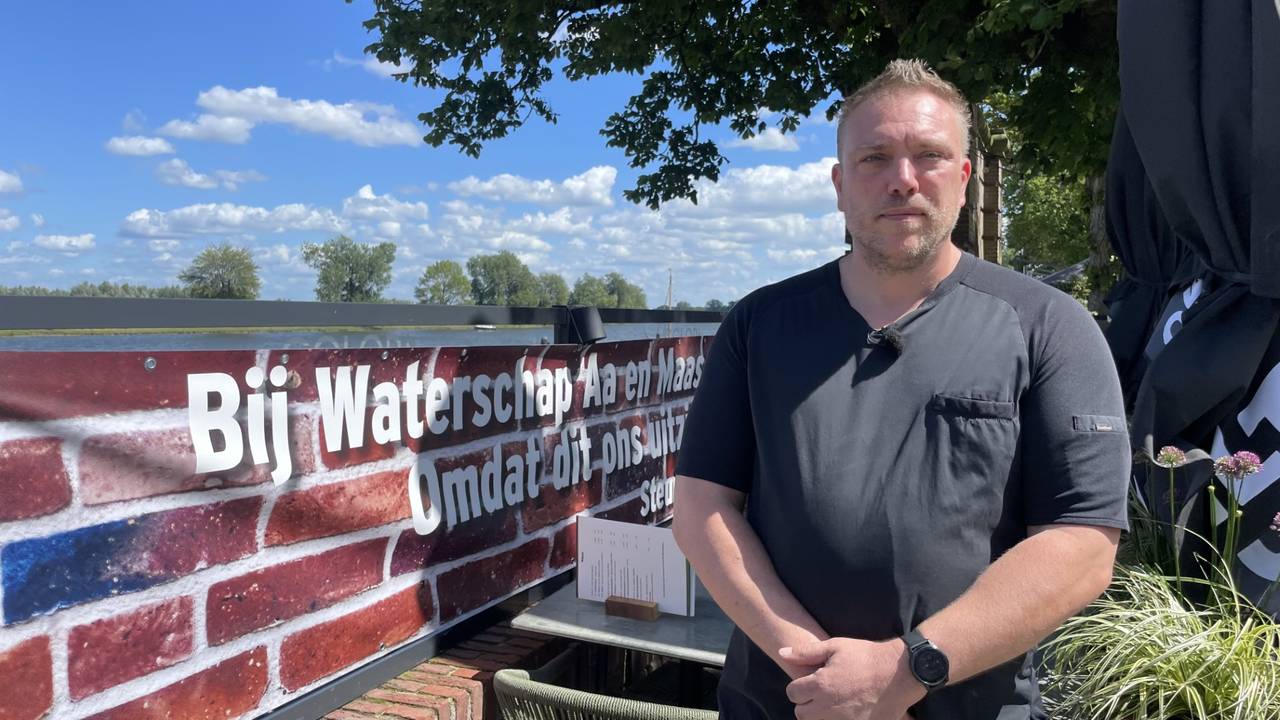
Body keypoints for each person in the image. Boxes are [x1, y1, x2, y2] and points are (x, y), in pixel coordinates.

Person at [672, 59, 1130, 720]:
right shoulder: (758, 326)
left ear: (965, 178)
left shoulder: (1048, 327)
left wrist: (907, 668)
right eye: (874, 158)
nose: (902, 181)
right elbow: (701, 507)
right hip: (781, 701)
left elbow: (1083, 548)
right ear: (838, 184)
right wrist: (810, 665)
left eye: (930, 156)